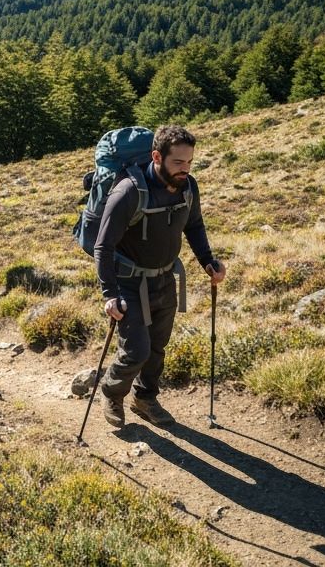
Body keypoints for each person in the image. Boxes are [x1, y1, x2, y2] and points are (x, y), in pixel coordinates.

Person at [94, 124, 226, 428]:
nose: (185, 169)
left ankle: (145, 397)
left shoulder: (188, 187)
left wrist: (207, 261)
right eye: (178, 162)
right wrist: (109, 294)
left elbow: (194, 225)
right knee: (136, 350)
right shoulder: (129, 191)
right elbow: (103, 246)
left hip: (166, 279)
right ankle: (112, 392)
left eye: (190, 162)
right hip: (128, 282)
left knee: (157, 347)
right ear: (157, 156)